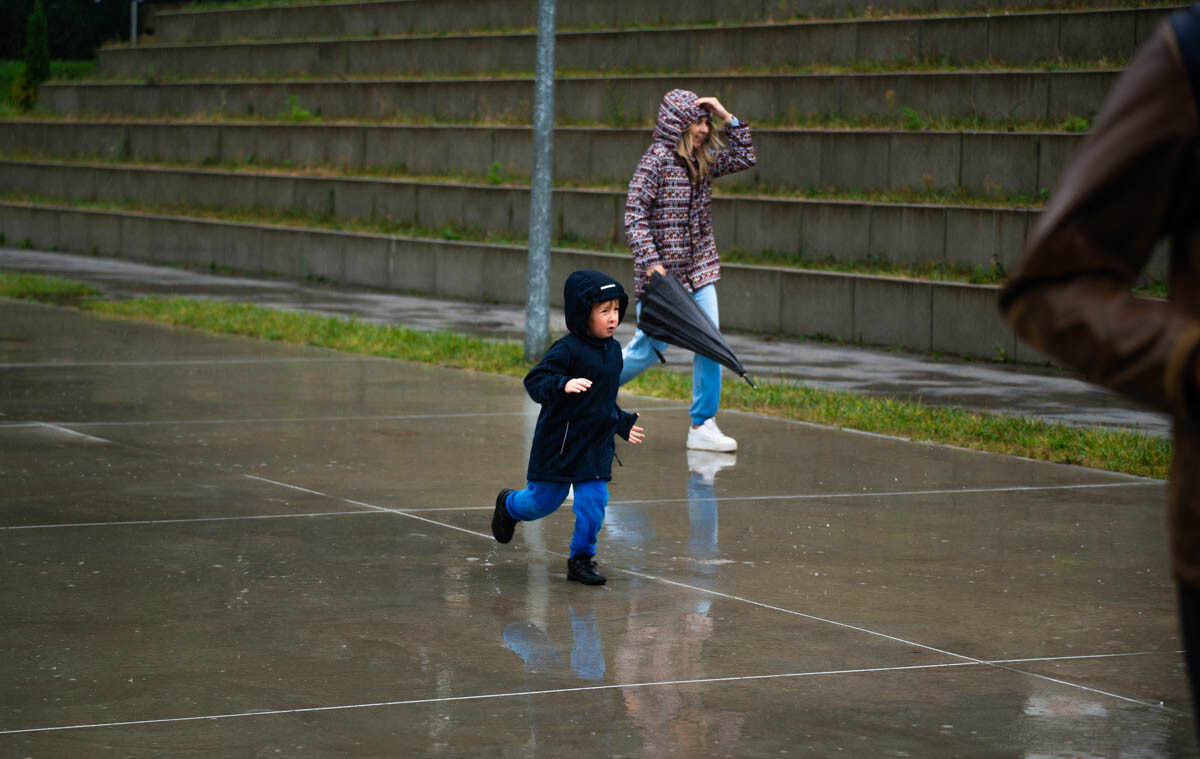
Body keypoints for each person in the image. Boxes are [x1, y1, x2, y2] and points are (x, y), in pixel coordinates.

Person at [999, 3, 1200, 724]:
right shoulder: (1191, 56)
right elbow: (1053, 283)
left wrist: (731, 124)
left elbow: (743, 153)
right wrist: (1186, 360)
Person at [619, 88, 757, 453]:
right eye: (697, 122)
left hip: (699, 272)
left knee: (710, 341)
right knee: (648, 349)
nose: (703, 129)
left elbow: (745, 156)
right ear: (677, 124)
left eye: (706, 123)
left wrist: (726, 116)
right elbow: (634, 215)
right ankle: (590, 388)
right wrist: (652, 262)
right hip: (663, 280)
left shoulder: (703, 160)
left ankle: (702, 424)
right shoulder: (656, 161)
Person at [492, 269, 645, 585]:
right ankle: (509, 505)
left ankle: (581, 559)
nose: (613, 317)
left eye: (616, 309)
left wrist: (622, 423)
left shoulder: (614, 352)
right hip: (559, 443)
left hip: (595, 446)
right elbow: (535, 380)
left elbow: (603, 401)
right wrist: (562, 384)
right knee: (542, 503)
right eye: (604, 311)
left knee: (593, 504)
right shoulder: (566, 349)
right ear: (582, 313)